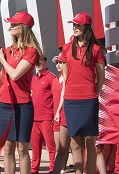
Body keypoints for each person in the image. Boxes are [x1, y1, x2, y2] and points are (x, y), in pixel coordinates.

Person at [0, 11, 43, 174]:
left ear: (24, 27)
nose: (11, 26)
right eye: (11, 23)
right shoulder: (9, 50)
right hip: (4, 104)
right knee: (7, 148)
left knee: (22, 148)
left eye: (15, 24)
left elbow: (15, 75)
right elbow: (3, 77)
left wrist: (1, 59)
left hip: (22, 105)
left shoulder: (31, 51)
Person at [52, 12, 106, 174]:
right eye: (73, 24)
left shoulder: (96, 49)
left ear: (86, 27)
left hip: (89, 100)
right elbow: (66, 76)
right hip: (71, 100)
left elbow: (101, 76)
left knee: (90, 142)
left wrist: (94, 93)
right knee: (75, 143)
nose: (74, 27)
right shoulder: (67, 48)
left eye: (78, 25)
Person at [30, 55, 56, 174]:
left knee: (51, 145)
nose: (39, 64)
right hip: (34, 118)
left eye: (41, 61)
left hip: (47, 117)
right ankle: (34, 169)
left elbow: (56, 97)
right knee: (35, 147)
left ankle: (53, 168)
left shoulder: (51, 78)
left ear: (46, 62)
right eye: (37, 62)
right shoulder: (33, 79)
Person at [51, 56, 69, 174]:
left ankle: (63, 168)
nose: (58, 65)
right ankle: (61, 168)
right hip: (56, 117)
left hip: (67, 114)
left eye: (61, 62)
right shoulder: (55, 80)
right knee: (59, 146)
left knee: (73, 146)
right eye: (57, 63)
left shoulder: (68, 79)